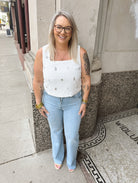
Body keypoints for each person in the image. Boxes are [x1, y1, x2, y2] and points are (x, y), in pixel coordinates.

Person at [33, 10, 91, 172]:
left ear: (72, 31)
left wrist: (84, 101)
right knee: (56, 132)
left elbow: (86, 79)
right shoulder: (42, 53)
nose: (62, 32)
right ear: (53, 28)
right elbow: (37, 80)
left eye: (67, 28)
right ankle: (58, 157)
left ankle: (71, 161)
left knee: (72, 136)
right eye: (59, 27)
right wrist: (38, 103)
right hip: (51, 101)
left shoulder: (81, 53)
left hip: (74, 101)